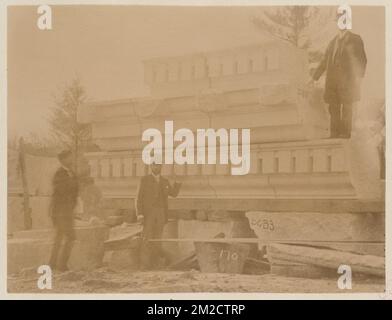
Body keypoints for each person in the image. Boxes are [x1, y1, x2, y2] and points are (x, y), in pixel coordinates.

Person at [311, 13, 367, 138]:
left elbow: (361, 59)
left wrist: (359, 77)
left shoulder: (355, 39)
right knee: (333, 108)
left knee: (347, 107)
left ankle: (345, 133)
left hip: (348, 81)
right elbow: (324, 61)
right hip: (332, 82)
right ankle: (334, 133)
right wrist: (314, 77)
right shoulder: (332, 42)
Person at [136, 163, 181, 269]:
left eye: (158, 165)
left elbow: (173, 194)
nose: (156, 167)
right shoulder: (144, 180)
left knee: (157, 239)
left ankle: (154, 264)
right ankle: (144, 265)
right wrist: (140, 214)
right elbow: (138, 198)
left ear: (161, 167)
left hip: (161, 215)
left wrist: (177, 182)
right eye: (154, 165)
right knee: (146, 239)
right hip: (148, 215)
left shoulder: (164, 181)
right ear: (151, 167)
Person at [48, 150, 79, 271]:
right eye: (69, 157)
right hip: (60, 210)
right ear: (63, 159)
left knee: (62, 237)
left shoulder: (71, 173)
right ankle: (59, 265)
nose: (72, 159)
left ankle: (55, 264)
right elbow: (61, 192)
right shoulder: (59, 173)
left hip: (67, 210)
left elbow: (75, 191)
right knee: (67, 236)